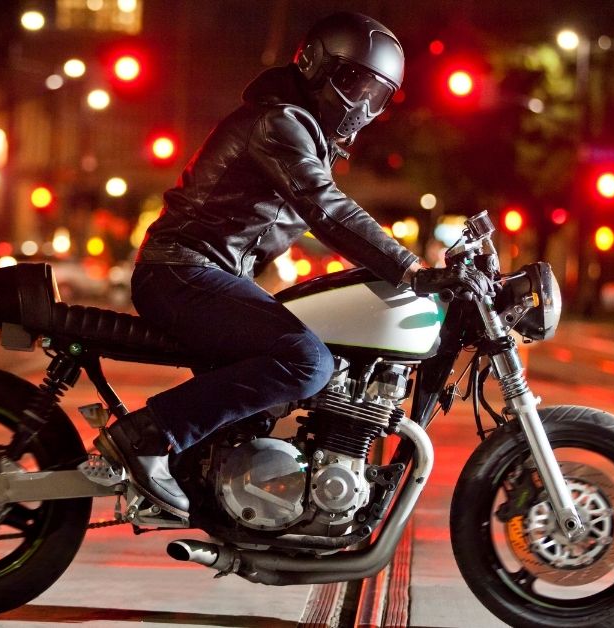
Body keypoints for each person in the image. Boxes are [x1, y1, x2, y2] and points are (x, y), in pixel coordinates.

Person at [94, 12, 490, 518]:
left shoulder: (297, 129)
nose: (362, 104)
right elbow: (326, 207)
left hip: (203, 274)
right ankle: (147, 436)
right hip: (182, 273)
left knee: (294, 368)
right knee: (308, 361)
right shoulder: (277, 122)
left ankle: (216, 484)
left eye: (376, 94)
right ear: (315, 66)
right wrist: (410, 268)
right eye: (354, 84)